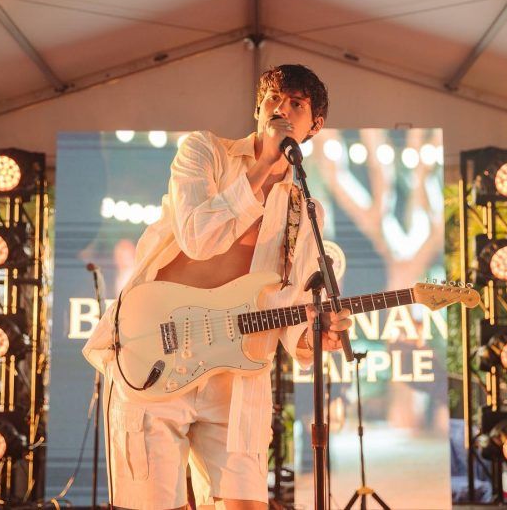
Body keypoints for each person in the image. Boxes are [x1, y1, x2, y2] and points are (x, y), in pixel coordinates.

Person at [83, 64, 352, 510]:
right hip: (154, 355)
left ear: (314, 125)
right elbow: (197, 237)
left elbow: (288, 302)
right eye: (273, 99)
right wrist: (263, 167)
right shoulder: (205, 151)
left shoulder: (305, 209)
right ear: (258, 109)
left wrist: (313, 336)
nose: (281, 109)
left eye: (296, 104)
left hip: (236, 379)